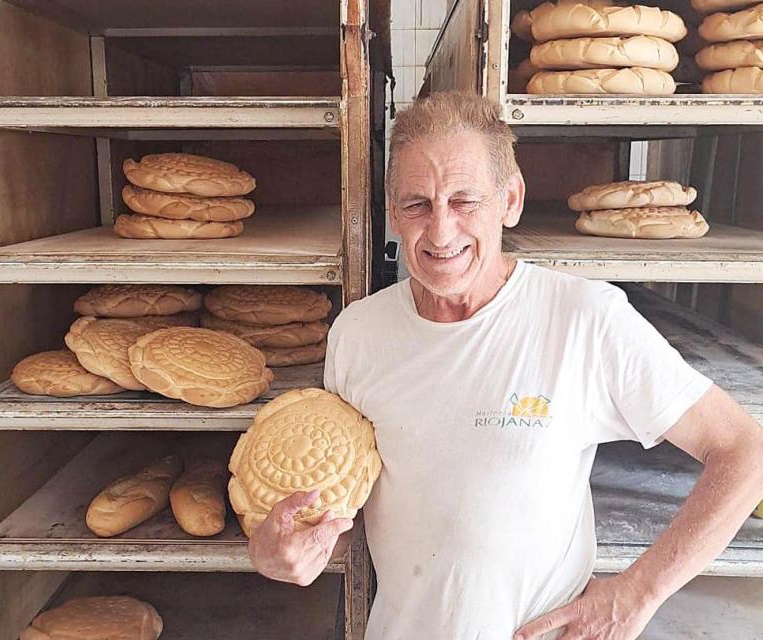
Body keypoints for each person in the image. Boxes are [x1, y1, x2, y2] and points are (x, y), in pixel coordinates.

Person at [247, 91, 763, 639]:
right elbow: (346, 511)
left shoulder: (583, 319)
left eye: (464, 201)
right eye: (418, 204)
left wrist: (638, 593)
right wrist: (282, 548)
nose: (440, 231)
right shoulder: (358, 335)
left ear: (510, 200)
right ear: (393, 212)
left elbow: (744, 449)